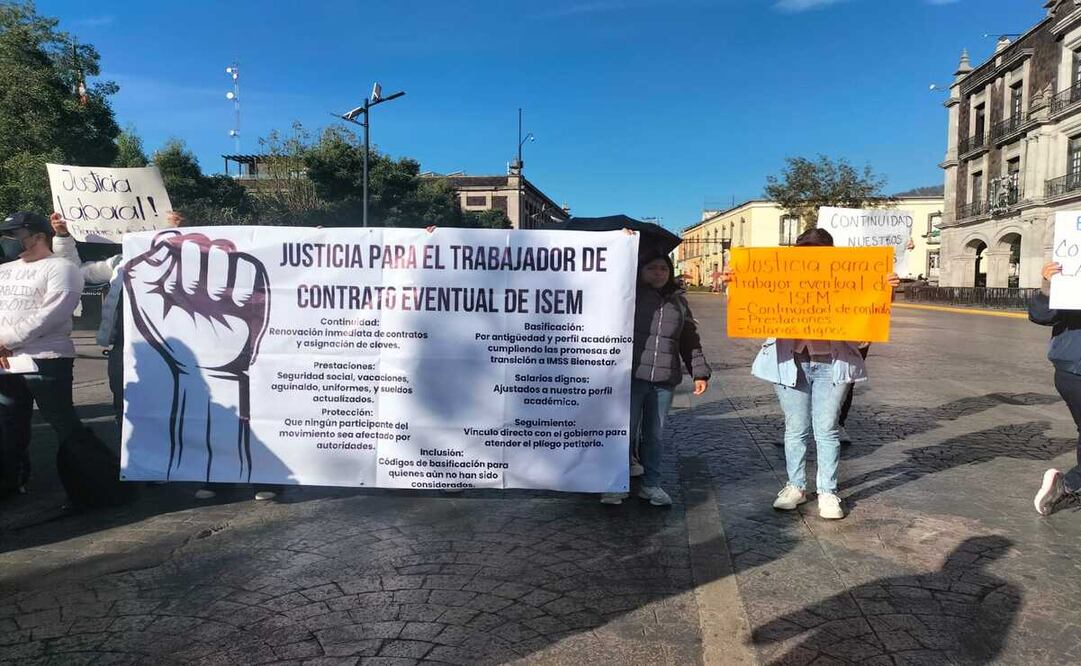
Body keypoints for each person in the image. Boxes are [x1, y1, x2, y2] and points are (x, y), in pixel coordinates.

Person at [726, 228, 899, 519]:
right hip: (790, 361)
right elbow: (749, 302)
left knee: (827, 428)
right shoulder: (781, 276)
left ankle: (828, 492)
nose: (812, 255)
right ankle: (795, 486)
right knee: (795, 428)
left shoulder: (846, 278)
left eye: (818, 250)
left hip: (831, 363)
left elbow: (868, 312)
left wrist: (886, 289)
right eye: (806, 250)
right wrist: (736, 283)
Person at [602, 249, 711, 506]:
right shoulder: (628, 296)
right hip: (631, 377)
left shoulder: (679, 303)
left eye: (664, 268)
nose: (659, 273)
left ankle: (651, 485)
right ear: (641, 271)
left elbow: (689, 339)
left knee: (655, 434)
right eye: (652, 268)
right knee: (622, 433)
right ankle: (615, 484)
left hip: (664, 379)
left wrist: (699, 372)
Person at [0, 212, 87, 498]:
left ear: (38, 237)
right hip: (6, 362)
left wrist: (7, 341)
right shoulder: (5, 269)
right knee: (8, 426)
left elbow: (51, 314)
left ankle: (87, 484)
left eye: (14, 234)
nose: (8, 241)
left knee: (63, 424)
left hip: (47, 361)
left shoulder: (61, 268)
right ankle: (10, 483)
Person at [1031, 261, 1081, 516]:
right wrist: (1049, 285)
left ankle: (1069, 484)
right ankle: (1068, 484)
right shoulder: (1073, 273)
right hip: (1075, 368)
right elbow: (1041, 315)